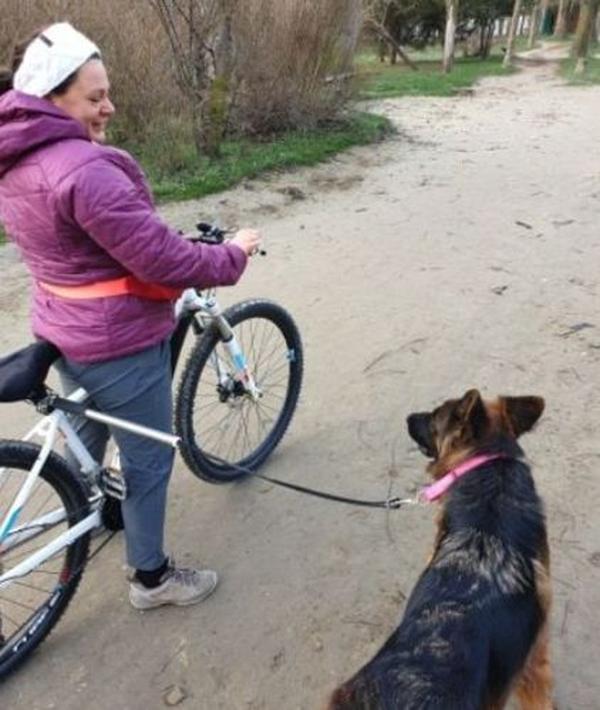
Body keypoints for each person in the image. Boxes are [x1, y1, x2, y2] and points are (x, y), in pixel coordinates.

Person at [0, 22, 261, 610]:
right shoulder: (83, 169)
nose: (108, 106)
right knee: (149, 457)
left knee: (86, 432)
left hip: (62, 327)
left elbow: (88, 245)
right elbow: (163, 258)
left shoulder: (16, 157)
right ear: (50, 99)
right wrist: (232, 253)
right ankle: (152, 579)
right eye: (95, 97)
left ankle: (88, 506)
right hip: (117, 342)